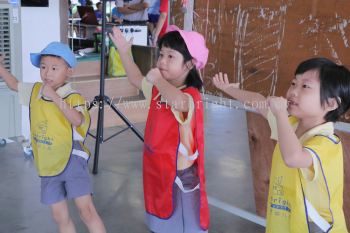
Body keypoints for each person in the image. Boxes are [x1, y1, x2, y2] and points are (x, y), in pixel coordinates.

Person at [212, 57, 350, 233]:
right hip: (287, 222)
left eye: (305, 86)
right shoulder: (290, 124)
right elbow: (257, 100)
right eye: (293, 83)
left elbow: (293, 157)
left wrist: (281, 115)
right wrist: (229, 89)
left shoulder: (327, 143)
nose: (293, 91)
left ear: (331, 103)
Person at [109, 25, 210, 232]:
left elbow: (179, 102)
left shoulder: (191, 96)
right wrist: (124, 52)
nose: (162, 61)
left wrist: (157, 79)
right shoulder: (158, 88)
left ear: (189, 64)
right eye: (161, 54)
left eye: (171, 56)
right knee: (161, 222)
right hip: (158, 171)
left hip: (180, 179)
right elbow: (136, 79)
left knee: (184, 223)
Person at [0, 42, 106, 233]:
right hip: (47, 163)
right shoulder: (35, 91)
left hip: (72, 159)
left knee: (86, 211)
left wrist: (55, 97)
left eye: (54, 68)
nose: (47, 73)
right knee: (59, 216)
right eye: (43, 67)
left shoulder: (74, 96)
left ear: (69, 71)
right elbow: (14, 85)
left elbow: (78, 119)